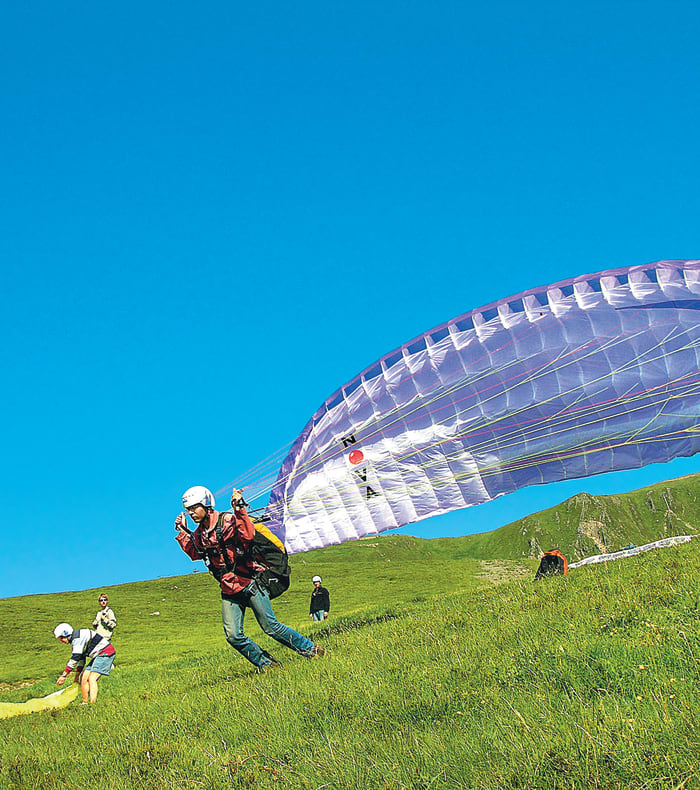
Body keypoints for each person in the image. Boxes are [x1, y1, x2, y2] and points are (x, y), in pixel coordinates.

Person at [174, 485, 326, 670]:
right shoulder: (199, 534)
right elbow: (195, 553)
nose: (191, 513)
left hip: (250, 583)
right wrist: (182, 532)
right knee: (233, 635)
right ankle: (268, 665)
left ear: (206, 505)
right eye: (188, 510)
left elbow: (247, 534)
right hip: (229, 589)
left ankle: (312, 650)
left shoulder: (227, 520)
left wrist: (239, 509)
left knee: (270, 627)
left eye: (194, 508)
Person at [53, 623, 116, 704]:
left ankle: (93, 703)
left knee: (92, 678)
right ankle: (85, 703)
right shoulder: (75, 640)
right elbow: (81, 658)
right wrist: (76, 676)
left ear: (66, 635)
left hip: (105, 653)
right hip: (97, 656)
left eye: (61, 638)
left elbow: (75, 658)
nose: (61, 641)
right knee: (83, 678)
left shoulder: (77, 639)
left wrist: (64, 675)